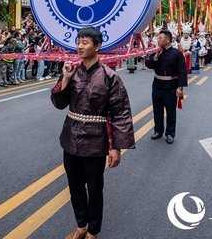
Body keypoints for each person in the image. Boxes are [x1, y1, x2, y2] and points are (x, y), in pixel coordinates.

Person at [50, 27, 135, 239]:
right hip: (70, 138)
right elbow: (59, 103)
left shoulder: (110, 77)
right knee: (75, 187)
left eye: (85, 42)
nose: (79, 46)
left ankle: (93, 231)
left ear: (97, 46)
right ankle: (81, 226)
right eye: (78, 41)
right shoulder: (73, 72)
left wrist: (116, 147)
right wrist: (66, 79)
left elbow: (121, 113)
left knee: (95, 190)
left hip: (96, 143)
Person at [145, 30, 187, 144]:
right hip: (157, 85)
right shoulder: (156, 52)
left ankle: (170, 133)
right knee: (157, 110)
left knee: (170, 111)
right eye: (158, 38)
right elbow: (148, 65)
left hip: (171, 87)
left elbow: (182, 71)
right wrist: (155, 58)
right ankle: (158, 130)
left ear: (168, 40)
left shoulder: (177, 53)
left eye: (160, 38)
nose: (158, 40)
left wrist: (180, 87)